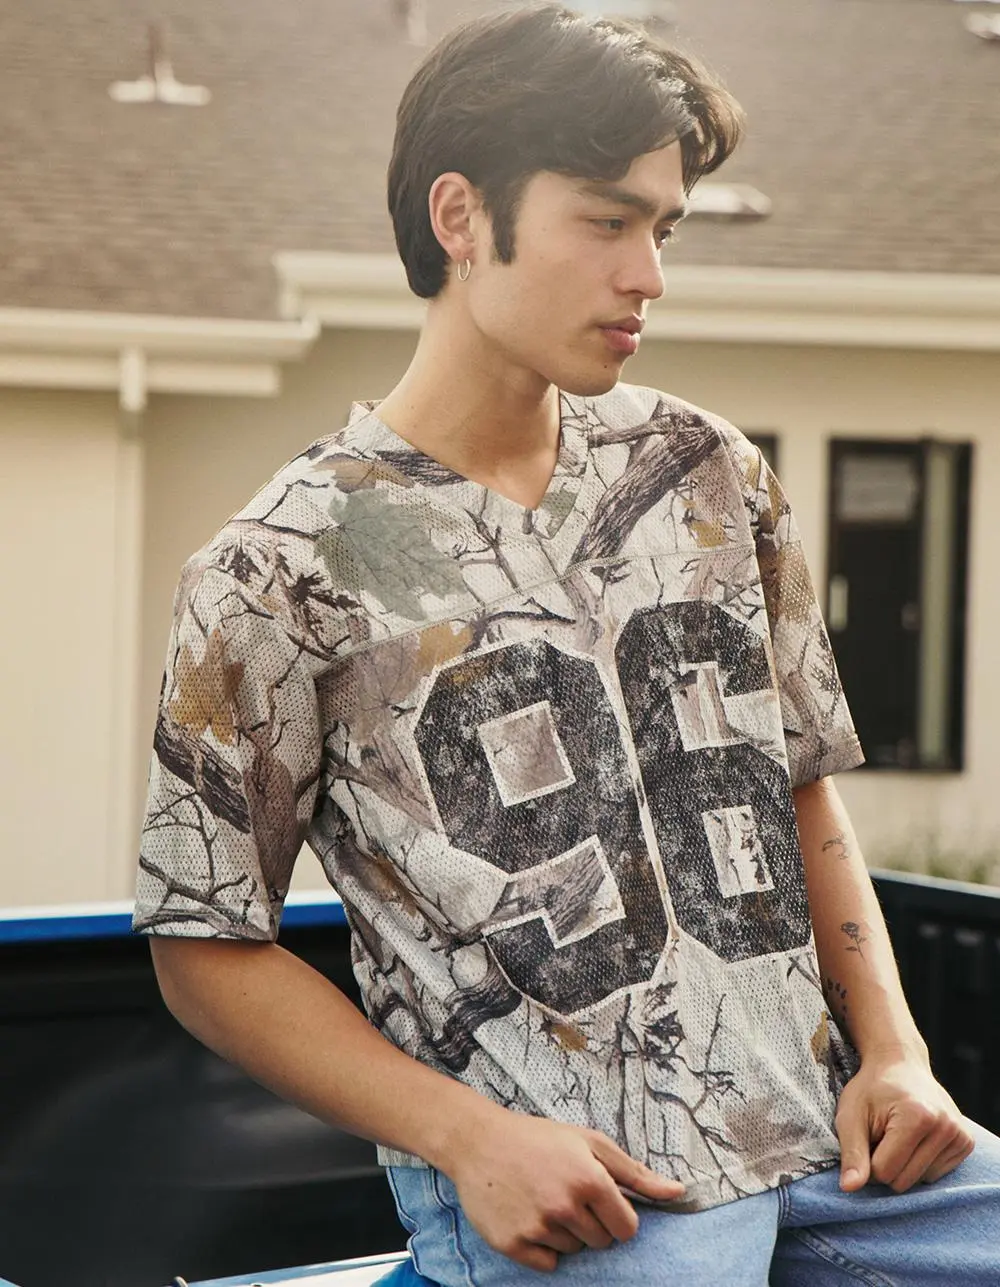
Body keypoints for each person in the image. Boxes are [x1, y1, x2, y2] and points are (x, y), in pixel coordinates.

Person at [134, 6, 1000, 1284]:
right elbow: (204, 947)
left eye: (663, 229)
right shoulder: (277, 568)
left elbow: (796, 785)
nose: (648, 274)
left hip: (838, 1150)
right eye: (606, 221)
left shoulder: (705, 472)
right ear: (460, 217)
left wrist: (898, 1052)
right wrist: (470, 1141)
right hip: (600, 1198)